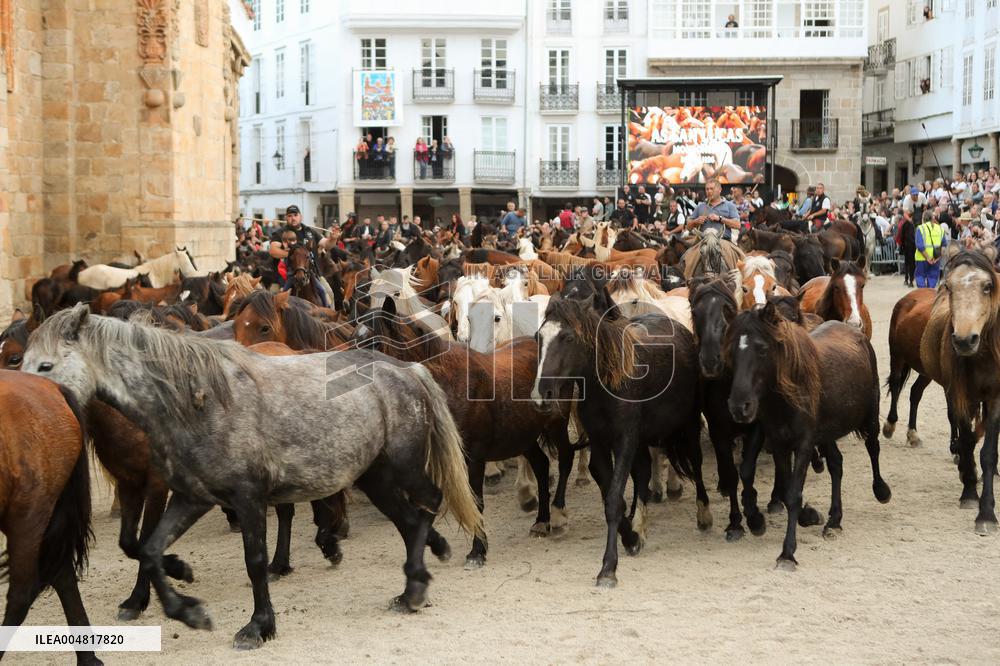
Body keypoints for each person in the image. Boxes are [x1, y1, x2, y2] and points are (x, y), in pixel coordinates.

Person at [267, 204, 334, 306]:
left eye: (295, 215)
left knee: (328, 292)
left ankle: (328, 315)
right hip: (289, 274)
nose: (293, 218)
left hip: (313, 272)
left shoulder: (309, 231)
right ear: (286, 218)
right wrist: (295, 255)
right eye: (289, 216)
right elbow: (273, 250)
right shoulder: (281, 233)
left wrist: (333, 238)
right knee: (277, 298)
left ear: (300, 216)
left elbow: (327, 245)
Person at [896, 209, 917, 287]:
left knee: (907, 263)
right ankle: (910, 280)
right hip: (912, 246)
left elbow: (901, 236)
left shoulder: (904, 223)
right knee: (911, 264)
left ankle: (907, 279)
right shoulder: (910, 224)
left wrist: (901, 246)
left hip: (906, 246)